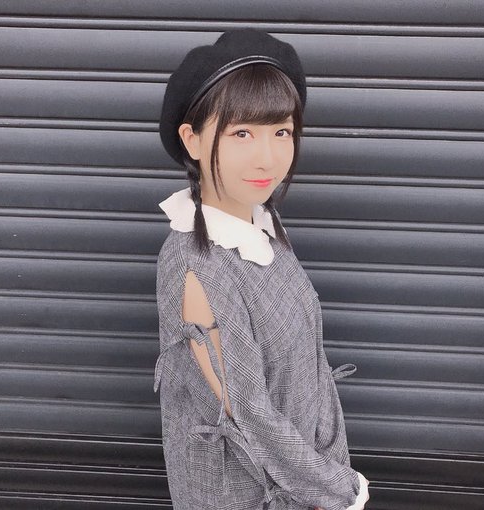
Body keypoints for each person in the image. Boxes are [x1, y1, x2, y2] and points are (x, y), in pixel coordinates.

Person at [153, 28, 370, 510]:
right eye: (242, 133)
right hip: (248, 495)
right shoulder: (198, 266)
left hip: (303, 479)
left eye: (281, 132)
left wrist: (333, 460)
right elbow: (248, 414)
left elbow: (311, 358)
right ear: (192, 139)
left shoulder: (262, 225)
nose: (267, 157)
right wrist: (340, 490)